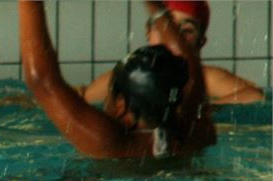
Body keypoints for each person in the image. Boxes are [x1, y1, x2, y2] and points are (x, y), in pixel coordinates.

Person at [19, 0, 215, 160]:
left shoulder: (110, 143)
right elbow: (191, 73)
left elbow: (42, 81)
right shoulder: (196, 133)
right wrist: (156, 8)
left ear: (121, 105)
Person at [81, 0, 264, 105]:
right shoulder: (126, 75)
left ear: (200, 43)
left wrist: (200, 111)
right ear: (147, 32)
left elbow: (254, 96)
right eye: (165, 28)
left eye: (186, 31)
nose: (172, 39)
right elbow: (84, 102)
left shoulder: (205, 77)